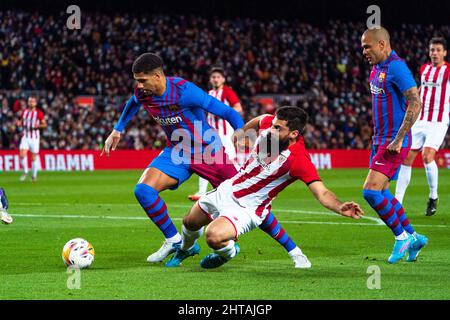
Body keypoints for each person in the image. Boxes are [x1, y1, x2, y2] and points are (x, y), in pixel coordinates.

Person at [102, 53, 306, 267]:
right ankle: (176, 242)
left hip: (209, 152)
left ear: (158, 76)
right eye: (137, 80)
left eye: (142, 80)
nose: (139, 85)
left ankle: (292, 249)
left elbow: (227, 112)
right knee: (143, 190)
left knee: (249, 199)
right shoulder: (143, 92)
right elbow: (133, 102)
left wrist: (242, 135)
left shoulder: (184, 91)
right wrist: (117, 129)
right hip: (177, 151)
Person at [165, 107, 364, 269]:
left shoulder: (299, 161)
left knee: (213, 236)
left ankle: (228, 252)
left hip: (248, 208)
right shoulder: (272, 123)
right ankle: (185, 249)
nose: (271, 130)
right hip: (229, 188)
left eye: (278, 129)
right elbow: (261, 119)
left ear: (294, 134)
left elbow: (322, 192)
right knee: (190, 222)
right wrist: (241, 134)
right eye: (274, 125)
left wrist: (340, 207)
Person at [360, 27, 428, 264]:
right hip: (379, 140)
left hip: (393, 143)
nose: (364, 51)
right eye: (362, 47)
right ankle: (414, 237)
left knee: (370, 192)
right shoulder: (376, 68)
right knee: (383, 192)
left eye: (367, 46)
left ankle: (401, 237)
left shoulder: (397, 67)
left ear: (382, 44)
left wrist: (398, 139)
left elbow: (415, 102)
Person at [395, 37, 449, 216]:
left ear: (444, 53)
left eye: (438, 50)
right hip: (420, 120)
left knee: (427, 156)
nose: (434, 53)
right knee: (406, 157)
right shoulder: (424, 69)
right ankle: (397, 203)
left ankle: (433, 197)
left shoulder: (448, 70)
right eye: (432, 50)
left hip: (438, 121)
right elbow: (421, 90)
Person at [188, 67, 244, 201]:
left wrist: (223, 111)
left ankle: (241, 188)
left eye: (218, 77)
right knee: (206, 159)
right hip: (210, 134)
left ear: (223, 79)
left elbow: (238, 107)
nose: (216, 79)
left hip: (225, 133)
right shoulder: (209, 93)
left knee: (230, 161)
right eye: (213, 77)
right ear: (210, 80)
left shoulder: (227, 92)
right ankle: (202, 191)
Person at [17, 95, 47, 182]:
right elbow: (21, 121)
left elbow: (44, 124)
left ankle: (34, 176)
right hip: (25, 136)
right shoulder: (24, 112)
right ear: (28, 102)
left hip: (34, 138)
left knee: (33, 157)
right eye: (30, 101)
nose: (31, 103)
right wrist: (19, 123)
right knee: (22, 155)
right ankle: (25, 172)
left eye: (33, 101)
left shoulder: (39, 113)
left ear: (36, 103)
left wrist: (38, 126)